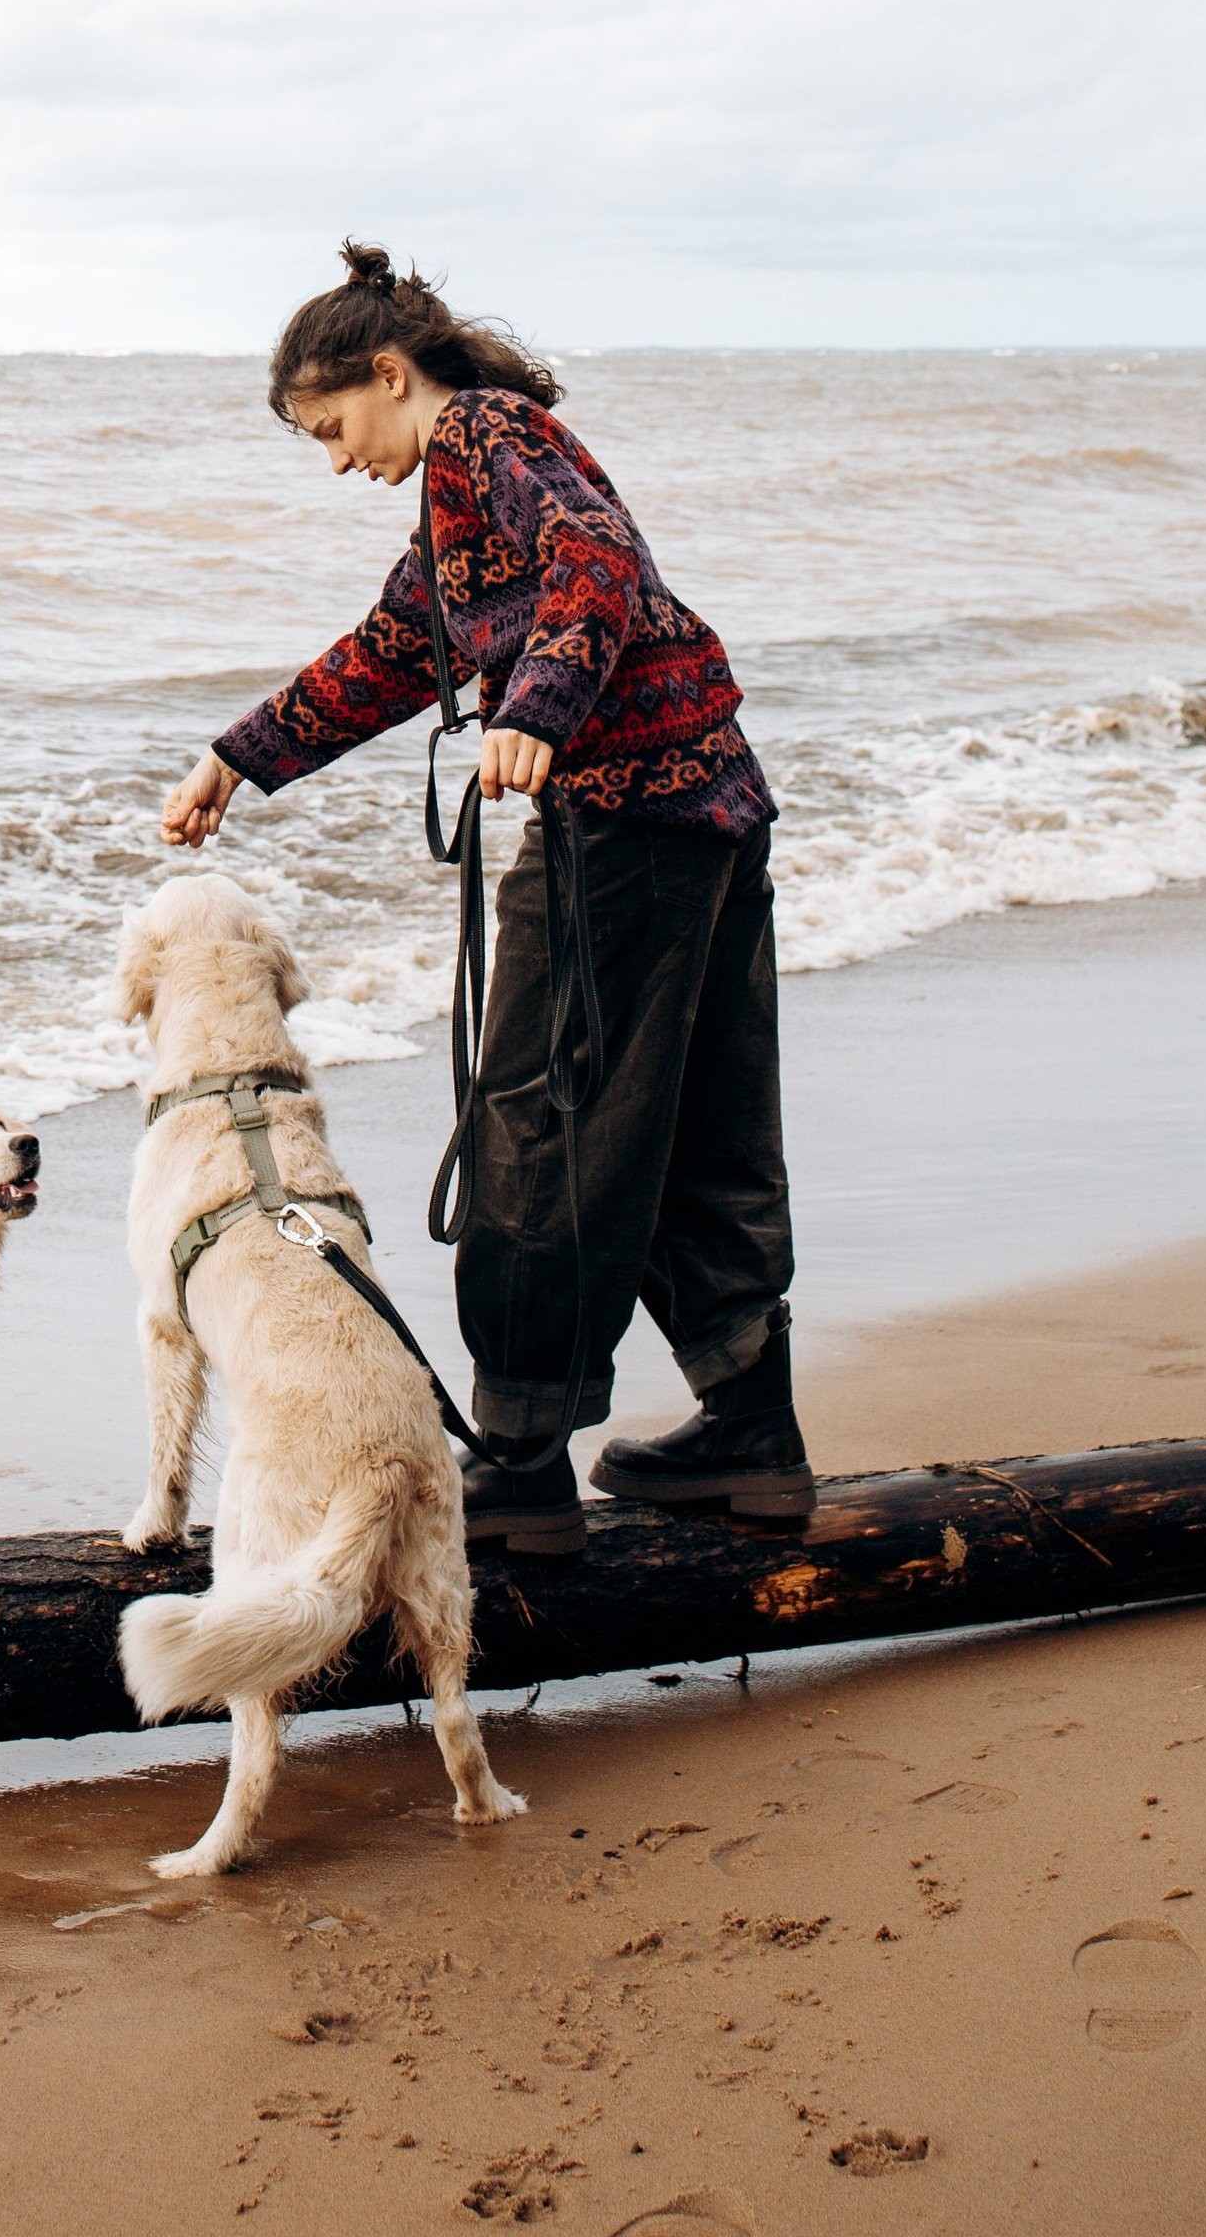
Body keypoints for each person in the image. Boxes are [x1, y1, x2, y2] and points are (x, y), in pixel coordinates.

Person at [159, 242, 810, 1556]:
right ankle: (753, 1433)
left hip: (626, 821)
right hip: (707, 806)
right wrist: (242, 755)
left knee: (541, 1119)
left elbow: (598, 566)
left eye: (334, 427)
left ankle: (517, 1462)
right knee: (693, 1125)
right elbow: (398, 650)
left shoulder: (487, 437)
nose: (338, 460)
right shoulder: (458, 499)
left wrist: (539, 709)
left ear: (390, 377)